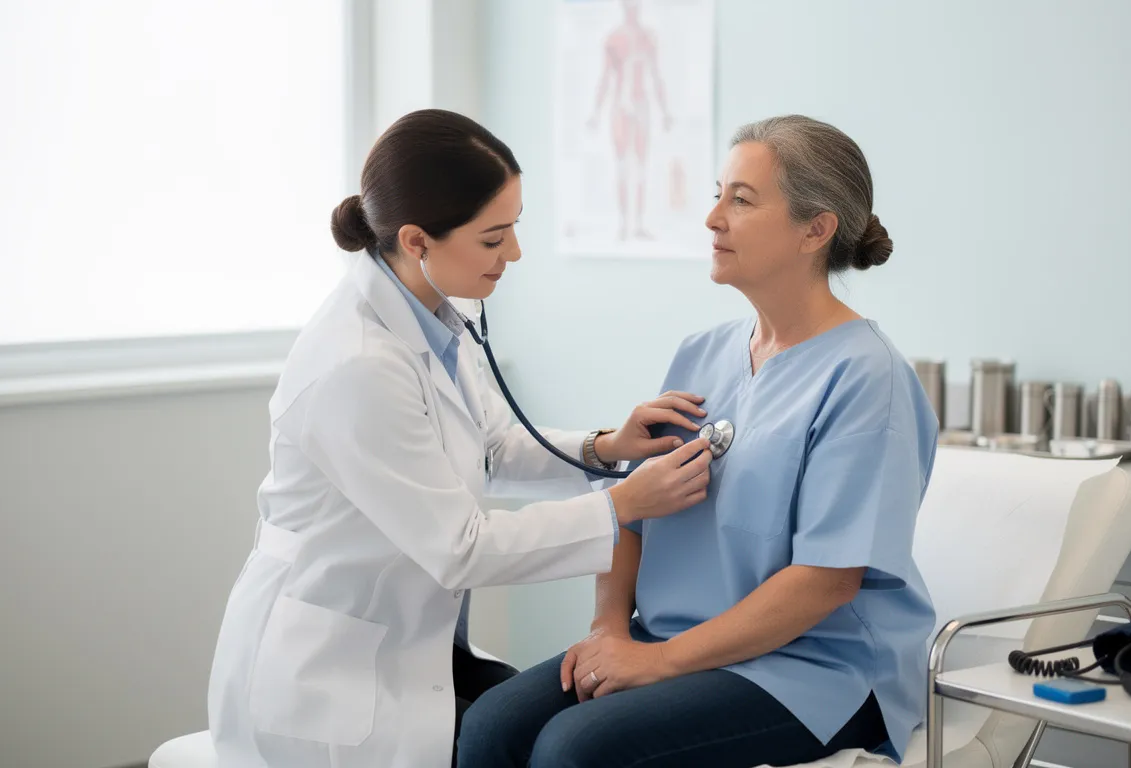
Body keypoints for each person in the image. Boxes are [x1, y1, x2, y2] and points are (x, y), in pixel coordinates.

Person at [206, 108, 714, 768]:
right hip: (333, 675)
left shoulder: (435, 312)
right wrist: (622, 506)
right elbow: (461, 550)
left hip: (416, 644)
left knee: (538, 731)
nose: (515, 254)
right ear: (417, 240)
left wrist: (605, 449)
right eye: (494, 237)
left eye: (515, 228)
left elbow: (490, 447)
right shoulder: (358, 364)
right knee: (538, 742)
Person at [457, 115, 940, 768]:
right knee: (489, 726)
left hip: (813, 669)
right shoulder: (702, 355)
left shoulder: (866, 376)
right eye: (718, 194)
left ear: (815, 229)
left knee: (575, 751)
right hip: (667, 639)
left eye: (740, 200)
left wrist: (657, 662)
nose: (712, 218)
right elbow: (628, 513)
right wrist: (608, 630)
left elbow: (826, 582)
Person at [586, 0, 672, 241]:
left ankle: (639, 224)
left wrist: (665, 111)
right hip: (621, 106)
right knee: (623, 166)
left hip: (641, 103)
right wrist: (595, 112)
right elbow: (605, 77)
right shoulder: (614, 39)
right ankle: (624, 224)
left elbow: (655, 75)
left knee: (641, 166)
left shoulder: (647, 37)